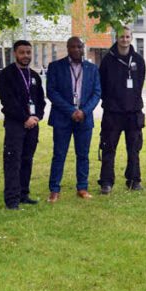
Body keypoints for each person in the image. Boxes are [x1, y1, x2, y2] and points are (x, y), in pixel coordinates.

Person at [46, 36, 101, 201]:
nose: (77, 50)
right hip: (63, 118)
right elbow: (52, 92)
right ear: (68, 48)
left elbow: (97, 92)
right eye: (73, 47)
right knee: (59, 154)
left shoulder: (92, 68)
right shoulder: (55, 67)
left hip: (84, 118)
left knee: (83, 155)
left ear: (83, 48)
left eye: (80, 47)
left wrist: (84, 111)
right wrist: (71, 111)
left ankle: (82, 188)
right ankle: (54, 190)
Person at [0, 40, 46, 210]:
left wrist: (37, 117)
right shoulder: (6, 75)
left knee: (27, 159)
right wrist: (25, 118)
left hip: (33, 125)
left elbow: (40, 100)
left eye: (28, 53)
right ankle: (12, 199)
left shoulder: (34, 76)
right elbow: (8, 102)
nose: (26, 56)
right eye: (22, 53)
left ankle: (24, 194)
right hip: (15, 125)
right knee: (13, 161)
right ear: (15, 54)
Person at [98, 27, 145, 194]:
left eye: (127, 36)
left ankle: (134, 180)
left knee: (134, 149)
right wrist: (112, 102)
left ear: (131, 38)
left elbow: (138, 84)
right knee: (109, 148)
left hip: (133, 113)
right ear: (116, 38)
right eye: (121, 37)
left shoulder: (138, 60)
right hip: (113, 113)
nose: (124, 39)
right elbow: (102, 84)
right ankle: (106, 182)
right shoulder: (107, 60)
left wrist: (132, 102)